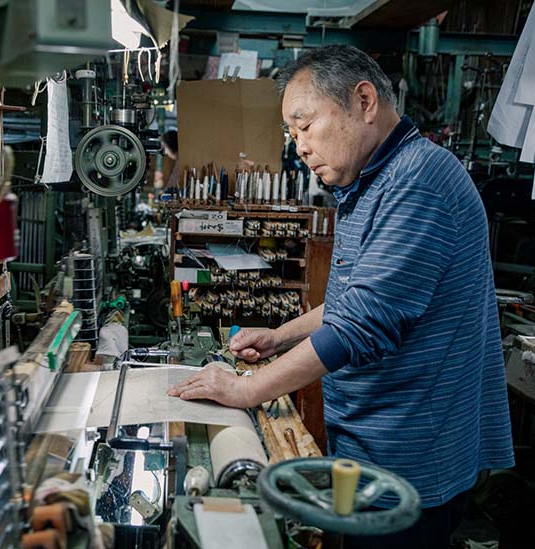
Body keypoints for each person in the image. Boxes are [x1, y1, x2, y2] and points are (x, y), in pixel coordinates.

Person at [168, 45, 514, 548]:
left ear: (364, 101)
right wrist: (279, 337)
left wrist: (246, 390)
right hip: (372, 444)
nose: (299, 147)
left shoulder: (418, 181)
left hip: (411, 457)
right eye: (292, 135)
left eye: (305, 126)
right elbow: (358, 298)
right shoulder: (371, 184)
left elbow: (363, 324)